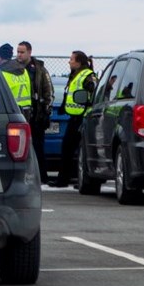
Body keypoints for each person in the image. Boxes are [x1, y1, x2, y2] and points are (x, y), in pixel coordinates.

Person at [50, 50, 97, 187]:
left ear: (78, 62)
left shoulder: (87, 75)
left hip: (82, 118)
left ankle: (69, 180)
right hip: (75, 117)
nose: (69, 61)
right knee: (70, 149)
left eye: (71, 59)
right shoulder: (76, 75)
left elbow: (93, 93)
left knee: (75, 149)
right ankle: (67, 178)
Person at [17, 41, 54, 184]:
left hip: (36, 116)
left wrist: (46, 111)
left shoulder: (39, 69)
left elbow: (48, 91)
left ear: (29, 52)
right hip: (20, 115)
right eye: (18, 52)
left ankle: (41, 177)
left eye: (22, 52)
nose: (19, 55)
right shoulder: (14, 69)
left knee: (38, 147)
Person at [0, 43, 32, 117]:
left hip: (13, 110)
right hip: (27, 109)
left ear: (0, 57)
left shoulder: (2, 73)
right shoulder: (24, 70)